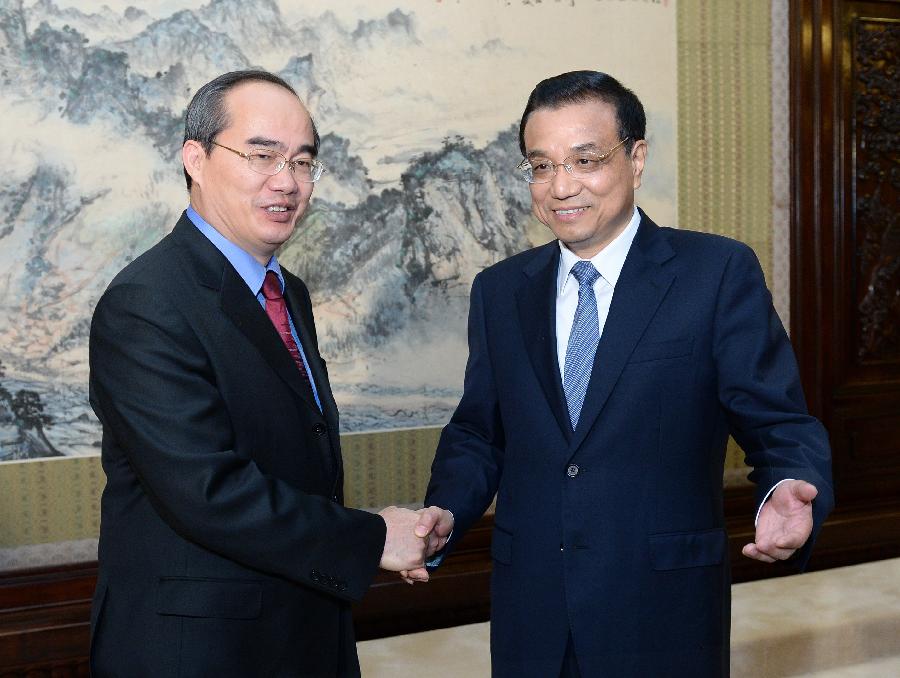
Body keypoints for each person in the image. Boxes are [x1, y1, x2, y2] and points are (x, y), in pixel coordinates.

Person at [411, 71, 834, 677]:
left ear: (636, 158)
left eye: (586, 160)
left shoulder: (714, 273)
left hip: (663, 612)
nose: (561, 187)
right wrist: (446, 509)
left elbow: (778, 421)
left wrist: (788, 487)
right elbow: (480, 431)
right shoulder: (500, 291)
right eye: (540, 165)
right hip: (532, 612)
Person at [88, 70, 437, 677]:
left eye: (304, 162)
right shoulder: (147, 301)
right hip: (198, 653)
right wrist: (371, 539)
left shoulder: (285, 291)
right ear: (195, 159)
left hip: (299, 633)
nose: (288, 182)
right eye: (262, 155)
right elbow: (206, 490)